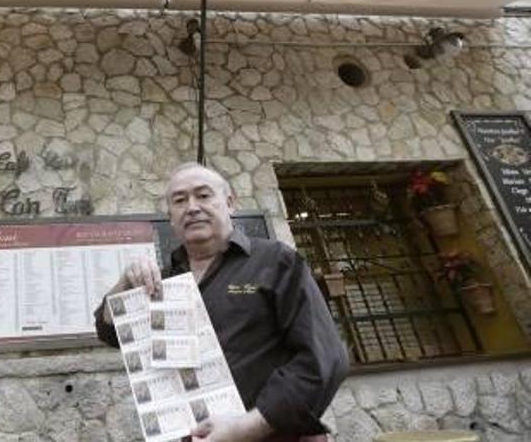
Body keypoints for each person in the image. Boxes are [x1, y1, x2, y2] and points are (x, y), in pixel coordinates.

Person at [94, 163, 349, 442]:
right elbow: (108, 332)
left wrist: (245, 428)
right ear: (171, 218)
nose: (192, 207)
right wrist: (124, 285)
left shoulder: (276, 262)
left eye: (203, 195)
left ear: (230, 203)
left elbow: (324, 360)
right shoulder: (162, 283)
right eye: (179, 200)